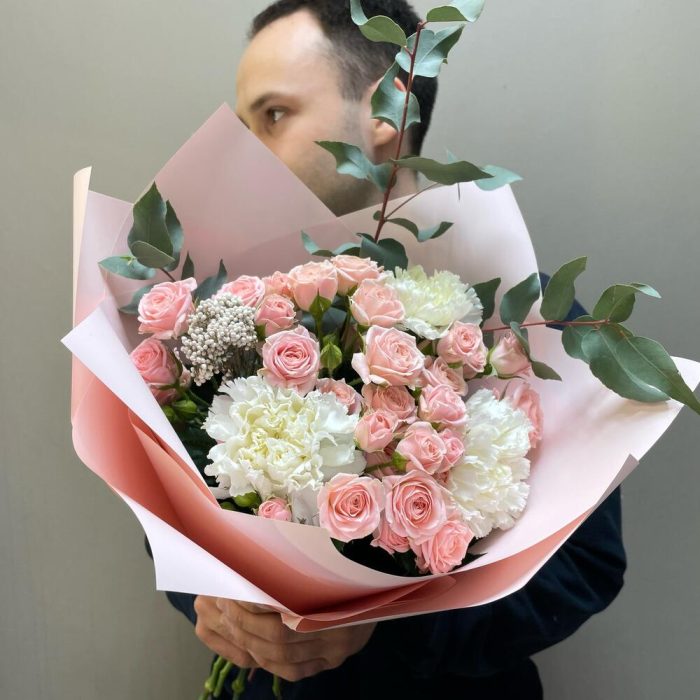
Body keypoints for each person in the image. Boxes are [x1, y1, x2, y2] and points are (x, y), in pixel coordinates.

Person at [152, 2, 627, 697]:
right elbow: (166, 513)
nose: (244, 152)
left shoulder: (525, 327)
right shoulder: (230, 314)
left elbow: (584, 568)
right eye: (245, 125)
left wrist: (386, 625)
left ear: (389, 112)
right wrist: (213, 601)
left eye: (274, 115)